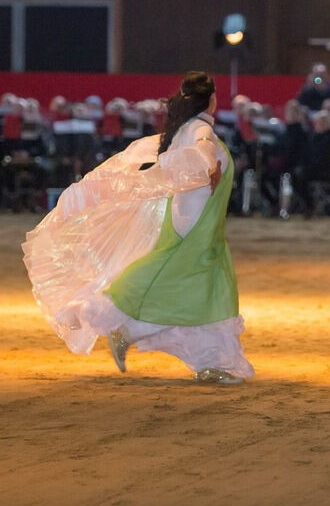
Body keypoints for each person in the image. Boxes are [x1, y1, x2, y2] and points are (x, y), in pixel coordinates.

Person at [23, 71, 253, 384]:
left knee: (202, 290)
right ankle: (105, 320)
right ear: (211, 100)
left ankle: (208, 360)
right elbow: (205, 147)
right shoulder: (199, 129)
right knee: (186, 286)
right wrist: (209, 162)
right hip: (194, 228)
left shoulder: (180, 130)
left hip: (196, 224)